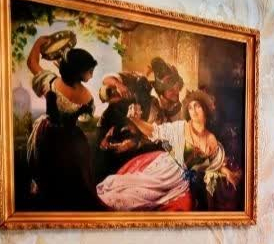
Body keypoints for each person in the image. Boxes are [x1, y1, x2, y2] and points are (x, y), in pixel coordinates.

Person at [96, 90, 241, 211]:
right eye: (190, 108)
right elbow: (154, 131)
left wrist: (227, 172)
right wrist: (136, 120)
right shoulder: (180, 127)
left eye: (197, 106)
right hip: (164, 169)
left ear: (205, 109)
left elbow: (214, 161)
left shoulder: (211, 138)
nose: (194, 111)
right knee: (135, 192)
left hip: (180, 181)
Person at [25, 34, 100, 210]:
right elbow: (86, 120)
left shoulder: (51, 81)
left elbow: (32, 63)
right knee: (71, 177)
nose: (91, 74)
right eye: (89, 71)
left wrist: (38, 43)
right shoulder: (88, 97)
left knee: (51, 176)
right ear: (78, 72)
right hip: (72, 140)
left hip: (48, 134)